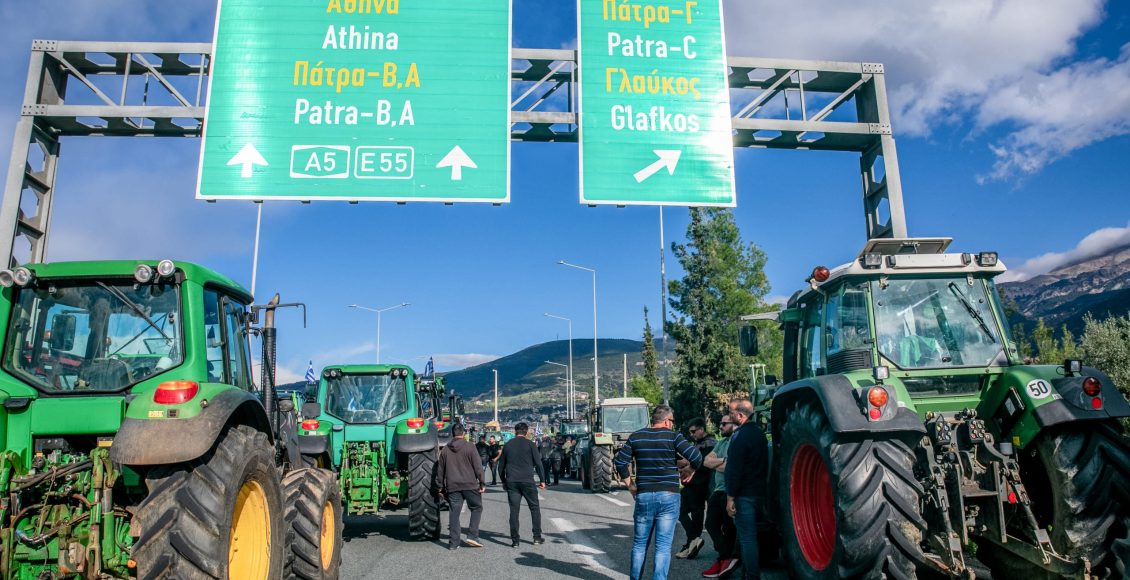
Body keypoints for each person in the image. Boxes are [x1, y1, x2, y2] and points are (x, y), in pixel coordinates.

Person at [615, 405, 703, 580]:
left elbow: (620, 462)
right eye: (672, 422)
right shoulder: (673, 437)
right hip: (669, 496)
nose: (673, 425)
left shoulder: (636, 436)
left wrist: (631, 486)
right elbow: (697, 457)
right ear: (667, 421)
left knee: (640, 544)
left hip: (644, 495)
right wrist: (690, 470)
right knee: (663, 546)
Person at [725, 400, 769, 580]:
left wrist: (730, 498)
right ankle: (747, 573)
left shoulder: (739, 437)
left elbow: (734, 470)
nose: (729, 416)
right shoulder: (760, 434)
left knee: (747, 538)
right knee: (751, 536)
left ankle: (752, 576)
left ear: (741, 416)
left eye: (731, 413)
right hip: (758, 491)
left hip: (743, 494)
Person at [435, 424, 485, 550]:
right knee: (476, 508)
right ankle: (472, 536)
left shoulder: (445, 450)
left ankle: (453, 543)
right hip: (470, 485)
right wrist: (482, 482)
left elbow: (440, 470)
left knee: (454, 513)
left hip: (453, 486)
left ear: (452, 434)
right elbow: (478, 466)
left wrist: (440, 486)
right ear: (463, 433)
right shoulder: (470, 447)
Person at [701, 414, 739, 578]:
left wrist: (720, 463)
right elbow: (706, 461)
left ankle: (725, 559)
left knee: (729, 527)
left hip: (730, 489)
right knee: (710, 524)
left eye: (724, 424)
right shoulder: (722, 442)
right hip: (718, 490)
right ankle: (726, 557)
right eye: (721, 424)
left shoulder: (737, 442)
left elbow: (733, 467)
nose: (721, 427)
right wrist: (723, 461)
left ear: (734, 425)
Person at [498, 422, 546, 547]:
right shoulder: (531, 445)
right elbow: (539, 463)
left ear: (515, 431)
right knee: (534, 509)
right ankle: (537, 537)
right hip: (528, 481)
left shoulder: (507, 445)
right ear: (526, 432)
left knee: (514, 511)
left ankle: (515, 541)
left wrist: (503, 481)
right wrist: (542, 480)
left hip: (512, 482)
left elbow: (500, 466)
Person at [676, 418, 717, 560]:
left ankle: (691, 544)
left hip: (700, 486)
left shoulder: (710, 443)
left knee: (695, 516)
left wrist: (689, 466)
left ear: (701, 429)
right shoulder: (698, 443)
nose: (692, 434)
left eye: (694, 431)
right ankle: (692, 541)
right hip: (692, 485)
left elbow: (704, 464)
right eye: (690, 432)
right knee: (683, 512)